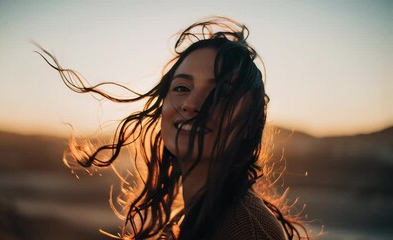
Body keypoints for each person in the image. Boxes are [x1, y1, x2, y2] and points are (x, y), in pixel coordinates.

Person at [37, 16, 308, 240]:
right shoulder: (200, 215)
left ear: (249, 124)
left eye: (221, 94)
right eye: (181, 88)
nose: (192, 105)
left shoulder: (246, 232)